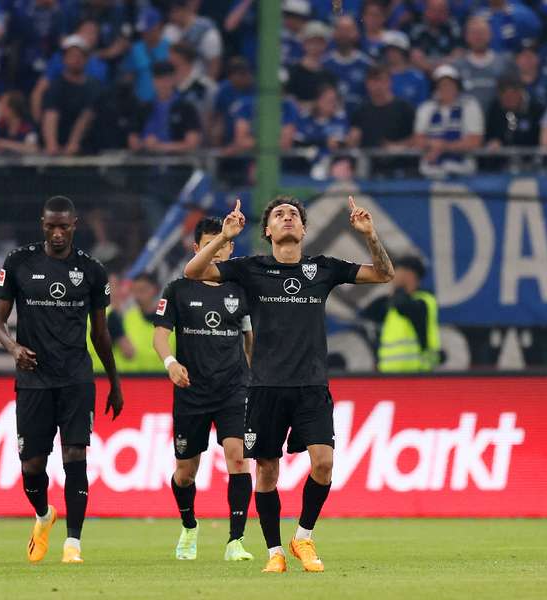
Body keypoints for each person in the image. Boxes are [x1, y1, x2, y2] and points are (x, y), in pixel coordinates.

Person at [184, 195, 394, 573]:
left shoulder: (323, 268)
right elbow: (193, 273)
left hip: (311, 386)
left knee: (325, 463)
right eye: (278, 215)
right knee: (266, 470)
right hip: (265, 387)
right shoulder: (250, 269)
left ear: (303, 230)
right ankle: (274, 552)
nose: (286, 219)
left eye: (293, 215)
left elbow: (384, 274)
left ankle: (303, 537)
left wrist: (370, 234)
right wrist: (223, 237)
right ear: (267, 231)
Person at [0, 195, 123, 565]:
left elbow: (100, 333)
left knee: (75, 456)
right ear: (42, 224)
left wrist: (114, 381)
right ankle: (42, 514)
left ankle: (73, 544)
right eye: (51, 226)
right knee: (32, 465)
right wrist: (13, 348)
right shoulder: (19, 262)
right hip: (32, 379)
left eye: (64, 226)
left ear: (75, 225)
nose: (58, 232)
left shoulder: (93, 270)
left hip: (76, 379)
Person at [152, 216, 255, 562]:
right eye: (211, 243)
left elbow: (249, 338)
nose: (217, 250)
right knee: (185, 472)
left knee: (238, 459)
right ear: (197, 249)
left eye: (224, 243)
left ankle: (235, 541)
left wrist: (252, 376)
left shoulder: (240, 290)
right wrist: (171, 363)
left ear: (231, 248)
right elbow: (160, 335)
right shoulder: (179, 289)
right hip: (192, 392)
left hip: (232, 390)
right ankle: (189, 525)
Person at [360, 255, 440, 372]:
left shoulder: (424, 301)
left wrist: (397, 290)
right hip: (390, 373)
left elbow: (405, 307)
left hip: (417, 372)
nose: (392, 275)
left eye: (396, 271)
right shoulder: (394, 302)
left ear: (409, 274)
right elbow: (368, 313)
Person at [413, 65, 484, 178]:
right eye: (441, 85)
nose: (446, 89)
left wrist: (443, 146)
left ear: (457, 86)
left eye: (450, 85)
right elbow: (417, 140)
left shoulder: (470, 106)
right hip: (430, 172)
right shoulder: (426, 108)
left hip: (463, 172)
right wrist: (433, 144)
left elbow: (475, 141)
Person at [41, 34, 101, 156]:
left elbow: (87, 116)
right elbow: (51, 114)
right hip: (58, 148)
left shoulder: (93, 86)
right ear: (64, 58)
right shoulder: (56, 86)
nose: (76, 59)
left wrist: (73, 143)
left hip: (86, 149)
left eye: (80, 56)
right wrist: (51, 144)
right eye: (72, 55)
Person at [128, 61, 201, 154]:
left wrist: (159, 146)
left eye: (167, 79)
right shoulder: (143, 108)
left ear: (174, 79)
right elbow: (133, 141)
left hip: (179, 164)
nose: (163, 84)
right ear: (153, 81)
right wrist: (145, 144)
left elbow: (192, 143)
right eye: (159, 79)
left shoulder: (186, 107)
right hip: (147, 163)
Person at [452, 16, 514, 112]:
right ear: (466, 36)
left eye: (482, 33)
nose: (478, 37)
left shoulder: (504, 63)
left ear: (490, 35)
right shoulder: (457, 66)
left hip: (497, 120)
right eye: (474, 33)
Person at [323, 15, 372, 113]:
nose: (344, 34)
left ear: (356, 33)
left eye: (348, 30)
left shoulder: (367, 64)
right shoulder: (324, 64)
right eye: (340, 29)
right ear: (334, 33)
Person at [164, 0, 223, 81]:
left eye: (174, 12)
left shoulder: (207, 30)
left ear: (184, 10)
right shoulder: (169, 30)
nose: (171, 16)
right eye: (170, 12)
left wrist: (209, 85)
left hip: (199, 82)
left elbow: (214, 63)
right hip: (176, 84)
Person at [121, 6, 169, 103]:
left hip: (162, 103)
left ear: (158, 26)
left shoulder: (169, 48)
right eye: (143, 30)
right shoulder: (135, 49)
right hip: (141, 104)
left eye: (148, 29)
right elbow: (128, 76)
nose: (144, 33)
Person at [285, 21, 337, 107]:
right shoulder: (292, 72)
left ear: (325, 45)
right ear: (304, 44)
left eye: (320, 42)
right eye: (311, 42)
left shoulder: (329, 75)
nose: (315, 46)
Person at [408, 0, 464, 76]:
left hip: (448, 72)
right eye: (434, 10)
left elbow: (458, 54)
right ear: (426, 11)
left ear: (447, 12)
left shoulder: (453, 27)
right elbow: (415, 57)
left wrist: (441, 68)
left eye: (441, 10)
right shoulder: (417, 29)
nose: (437, 14)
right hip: (424, 72)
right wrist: (431, 69)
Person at [380, 31, 429, 108]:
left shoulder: (418, 78)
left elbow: (422, 106)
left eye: (395, 50)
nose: (391, 53)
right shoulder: (380, 76)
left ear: (403, 52)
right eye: (388, 50)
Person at [0, 90, 37, 154]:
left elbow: (32, 149)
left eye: (2, 103)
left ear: (12, 109)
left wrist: (2, 143)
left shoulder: (28, 128)